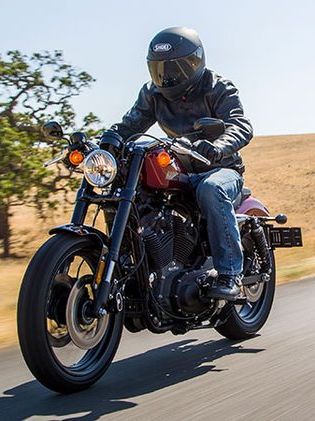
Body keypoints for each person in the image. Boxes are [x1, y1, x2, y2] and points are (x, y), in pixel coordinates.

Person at [102, 27, 252, 301]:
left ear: (195, 62)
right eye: (160, 69)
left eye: (175, 68)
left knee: (211, 189)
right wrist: (107, 142)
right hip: (179, 168)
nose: (167, 76)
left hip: (220, 168)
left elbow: (240, 125)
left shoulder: (218, 87)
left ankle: (230, 274)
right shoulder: (152, 93)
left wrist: (218, 147)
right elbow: (130, 125)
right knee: (131, 191)